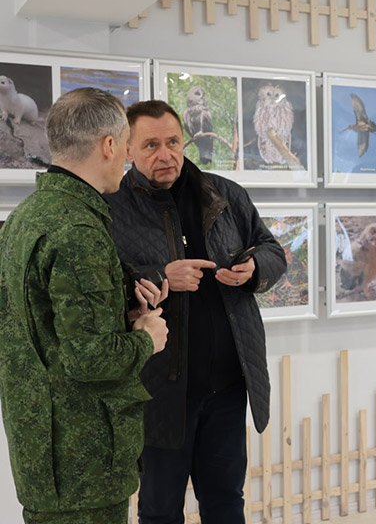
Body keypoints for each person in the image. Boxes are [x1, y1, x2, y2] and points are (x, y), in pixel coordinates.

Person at [105, 100, 287, 524]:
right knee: (160, 509)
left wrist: (254, 269)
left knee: (226, 502)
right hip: (158, 393)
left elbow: (272, 250)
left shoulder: (224, 194)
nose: (165, 154)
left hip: (228, 385)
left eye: (173, 142)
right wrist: (161, 275)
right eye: (151, 145)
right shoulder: (112, 208)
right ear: (127, 149)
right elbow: (104, 289)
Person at [0, 88, 169, 524]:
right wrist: (146, 338)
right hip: (84, 461)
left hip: (42, 449)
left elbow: (38, 324)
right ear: (109, 145)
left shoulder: (26, 217)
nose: (128, 156)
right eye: (127, 144)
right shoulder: (78, 230)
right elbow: (90, 358)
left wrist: (120, 310)